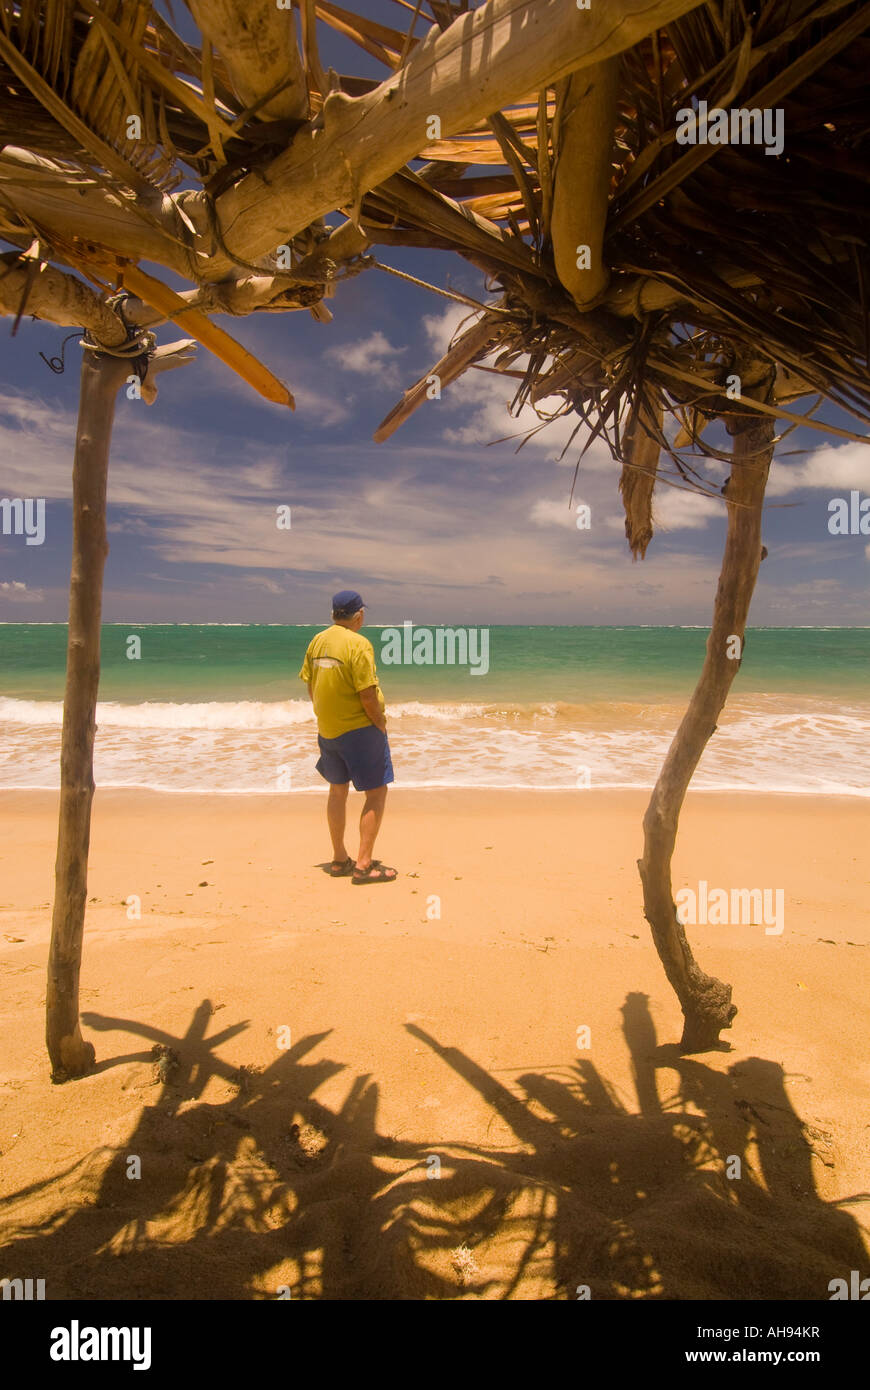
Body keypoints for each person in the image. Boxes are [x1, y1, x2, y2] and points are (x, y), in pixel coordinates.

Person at [299, 590, 397, 884]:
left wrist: (323, 713)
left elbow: (310, 684)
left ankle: (340, 859)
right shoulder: (359, 644)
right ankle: (364, 865)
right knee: (376, 792)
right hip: (359, 730)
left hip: (328, 729)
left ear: (333, 615)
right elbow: (367, 694)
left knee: (337, 791)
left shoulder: (318, 641)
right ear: (359, 615)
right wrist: (379, 723)